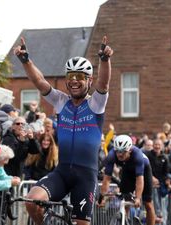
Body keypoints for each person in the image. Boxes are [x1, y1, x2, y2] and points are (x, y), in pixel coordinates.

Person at [13, 36, 113, 225]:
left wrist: (105, 60)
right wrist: (26, 61)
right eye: (71, 76)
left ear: (89, 80)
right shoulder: (61, 101)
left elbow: (104, 84)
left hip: (85, 176)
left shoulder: (96, 104)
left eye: (80, 77)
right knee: (32, 201)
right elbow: (39, 80)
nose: (75, 81)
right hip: (62, 172)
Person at [98, 135, 156, 225]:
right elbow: (107, 179)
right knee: (125, 200)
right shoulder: (111, 155)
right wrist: (101, 197)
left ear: (130, 150)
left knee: (148, 203)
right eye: (117, 151)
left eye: (123, 151)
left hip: (143, 171)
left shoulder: (138, 156)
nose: (120, 154)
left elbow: (139, 180)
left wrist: (137, 198)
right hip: (127, 171)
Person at [144, 138, 171, 225]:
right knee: (150, 208)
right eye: (155, 144)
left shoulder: (165, 157)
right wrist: (151, 178)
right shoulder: (147, 155)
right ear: (153, 145)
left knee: (162, 210)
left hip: (160, 186)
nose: (157, 146)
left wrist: (158, 181)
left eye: (159, 145)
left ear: (162, 146)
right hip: (148, 185)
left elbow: (166, 173)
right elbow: (144, 168)